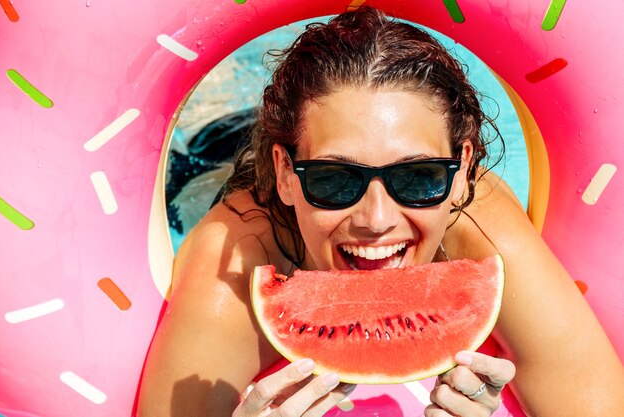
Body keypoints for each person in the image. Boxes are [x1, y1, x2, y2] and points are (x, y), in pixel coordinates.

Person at [136, 7, 624, 416]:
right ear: (286, 174)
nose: (376, 218)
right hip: (216, 163)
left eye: (418, 177)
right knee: (200, 174)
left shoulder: (484, 229)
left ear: (462, 174)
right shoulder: (234, 264)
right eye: (333, 179)